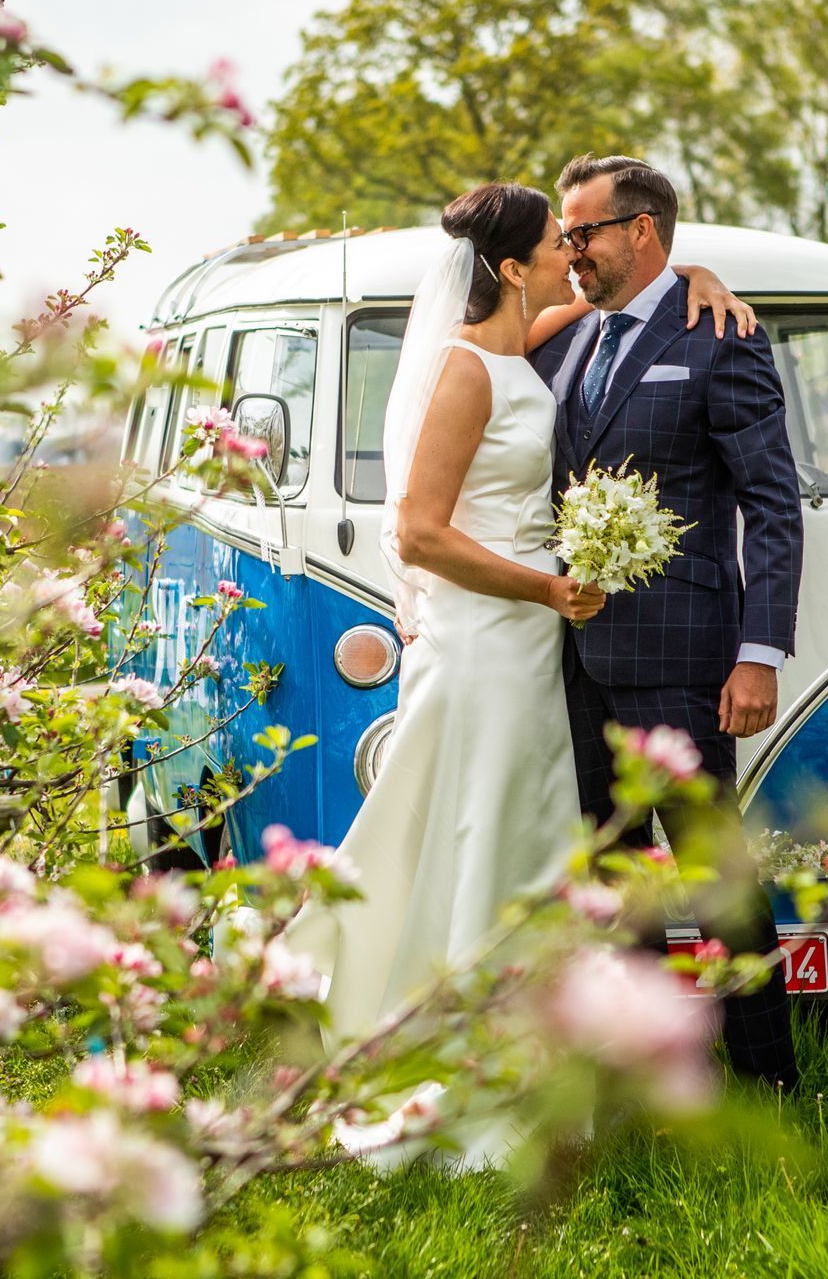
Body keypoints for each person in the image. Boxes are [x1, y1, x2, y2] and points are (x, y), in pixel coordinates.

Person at [291, 182, 754, 1059]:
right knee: (482, 829)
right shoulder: (465, 369)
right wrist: (545, 590)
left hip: (537, 643)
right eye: (556, 243)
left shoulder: (519, 346)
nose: (571, 255)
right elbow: (418, 533)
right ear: (511, 268)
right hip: (490, 636)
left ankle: (536, 1044)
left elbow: (629, 305)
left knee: (530, 833)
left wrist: (694, 271)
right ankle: (457, 1044)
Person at [527, 154, 805, 1090]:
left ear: (639, 231)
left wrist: (758, 654)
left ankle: (769, 1085)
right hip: (577, 662)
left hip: (687, 658)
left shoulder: (721, 336)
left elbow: (771, 502)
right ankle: (644, 1072)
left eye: (584, 233)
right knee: (611, 875)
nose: (570, 253)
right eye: (563, 235)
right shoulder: (564, 342)